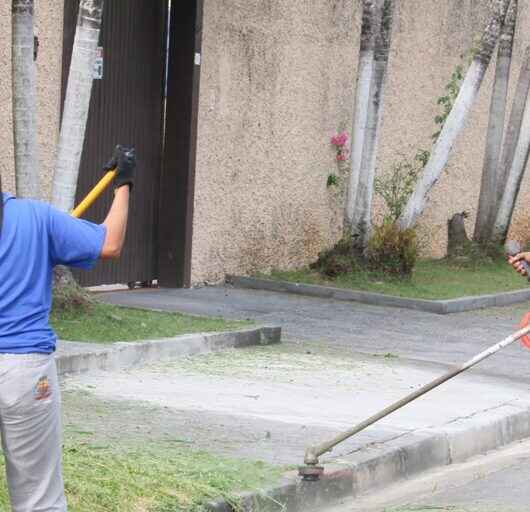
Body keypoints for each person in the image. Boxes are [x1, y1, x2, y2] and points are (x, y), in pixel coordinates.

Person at [0, 145, 136, 512]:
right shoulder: (34, 218)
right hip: (23, 370)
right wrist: (123, 183)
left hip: (22, 366)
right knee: (38, 500)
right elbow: (110, 243)